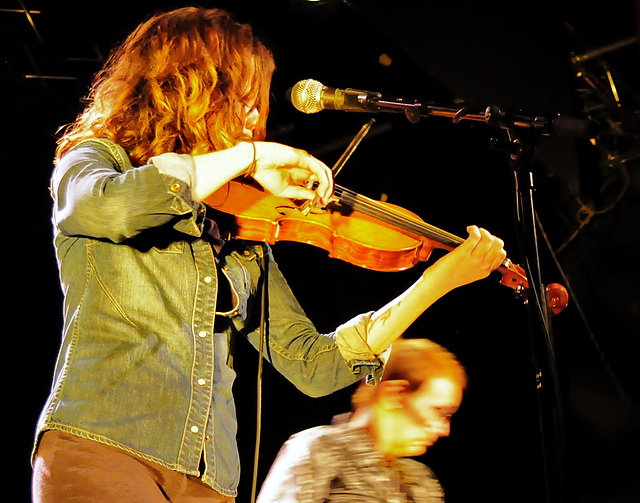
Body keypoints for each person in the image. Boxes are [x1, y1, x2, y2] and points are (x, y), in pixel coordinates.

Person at [31, 6, 506, 503]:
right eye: (241, 98)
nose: (255, 118)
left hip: (207, 480)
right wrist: (252, 157)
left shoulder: (240, 222)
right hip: (104, 448)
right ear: (186, 87)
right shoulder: (96, 159)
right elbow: (112, 209)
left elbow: (313, 365)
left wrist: (439, 282)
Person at [256, 338, 467, 503]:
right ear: (395, 395)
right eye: (438, 410)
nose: (443, 429)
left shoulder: (420, 482)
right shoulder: (319, 450)